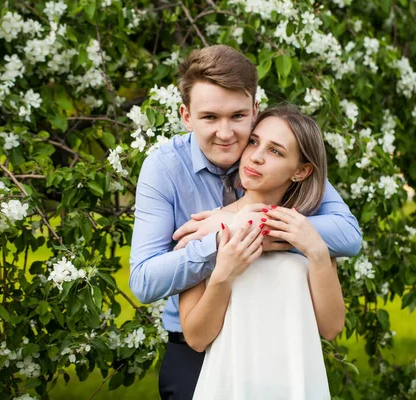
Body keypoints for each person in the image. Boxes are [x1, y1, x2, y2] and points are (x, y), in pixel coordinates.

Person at [129, 45, 362, 399]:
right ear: (187, 117)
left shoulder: (294, 186)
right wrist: (222, 240)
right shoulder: (165, 171)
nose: (228, 135)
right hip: (198, 353)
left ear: (254, 110)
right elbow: (145, 282)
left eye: (238, 117)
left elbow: (347, 235)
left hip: (284, 355)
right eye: (209, 117)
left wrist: (254, 230)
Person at [180, 105, 343, 399]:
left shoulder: (308, 232)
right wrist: (224, 276)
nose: (256, 156)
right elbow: (195, 338)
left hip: (296, 383)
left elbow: (331, 328)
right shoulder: (206, 229)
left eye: (275, 151)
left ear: (301, 170)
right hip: (230, 385)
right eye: (254, 142)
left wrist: (317, 252)